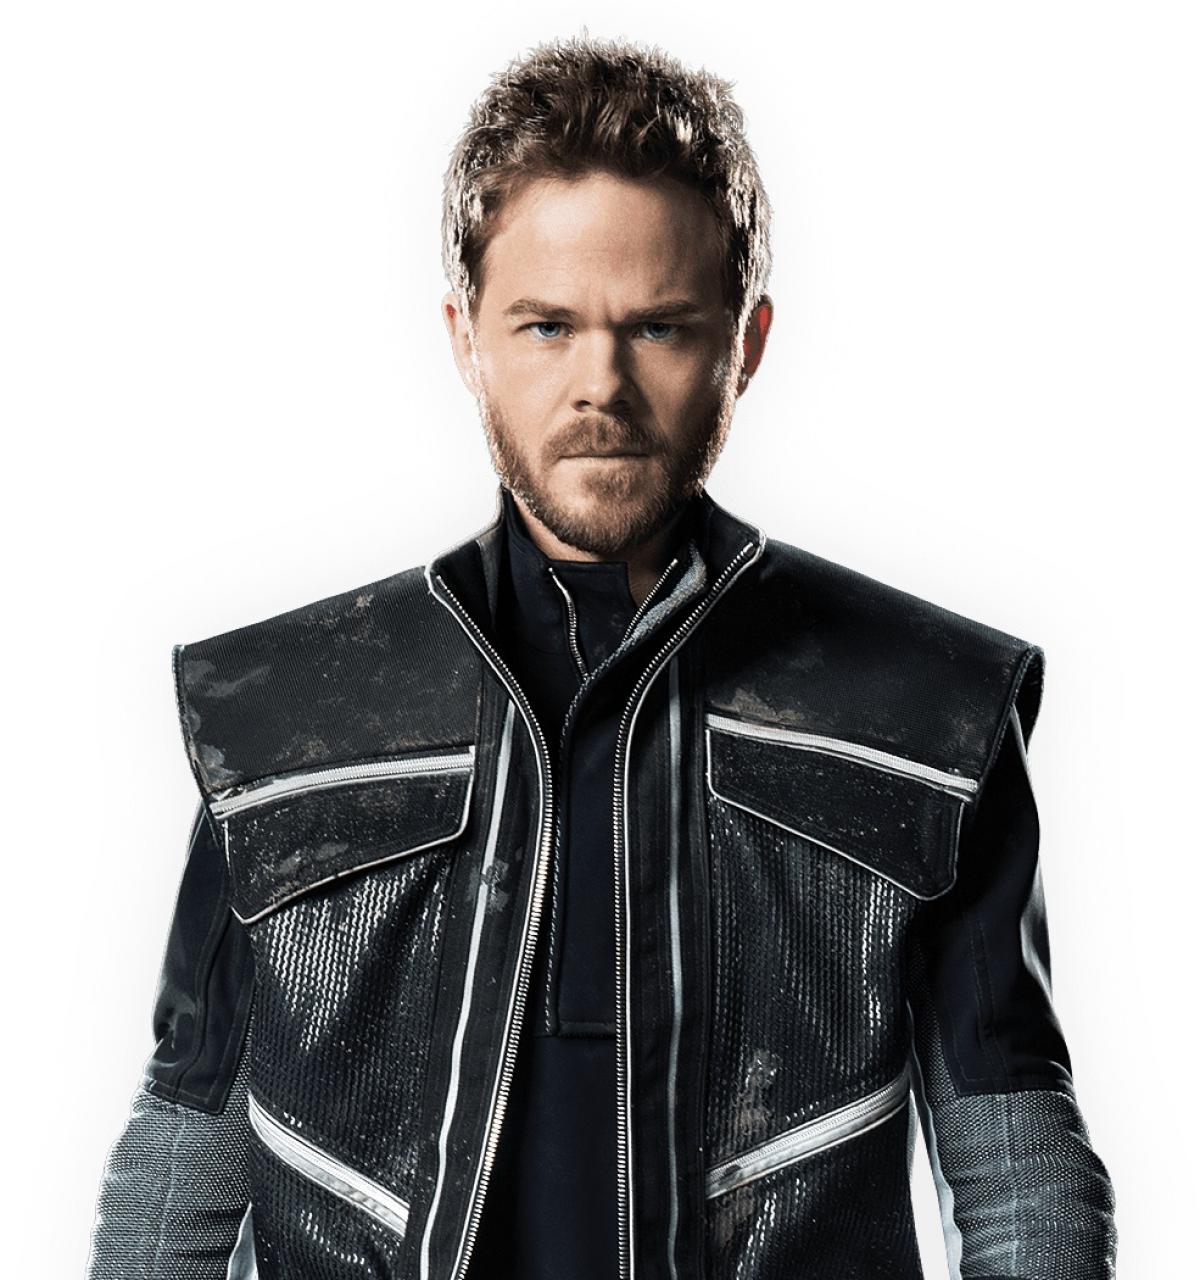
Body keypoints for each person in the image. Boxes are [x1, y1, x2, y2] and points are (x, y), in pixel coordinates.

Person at [86, 33, 1118, 1280]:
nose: (601, 386)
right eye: (546, 325)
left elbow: (1019, 1179)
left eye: (659, 327)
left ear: (746, 342)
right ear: (466, 337)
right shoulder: (280, 718)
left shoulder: (926, 714)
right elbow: (181, 1180)